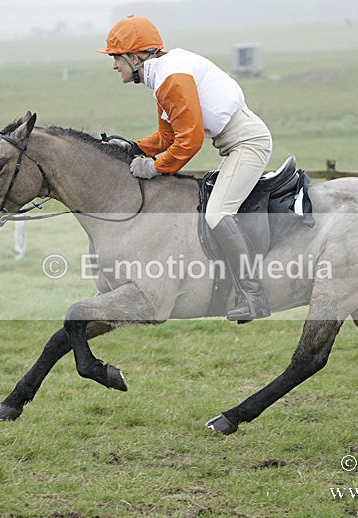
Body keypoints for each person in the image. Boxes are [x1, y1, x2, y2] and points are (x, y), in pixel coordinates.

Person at [97, 14, 273, 322]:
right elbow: (168, 135)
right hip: (234, 144)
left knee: (217, 214)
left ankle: (253, 295)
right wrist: (133, 148)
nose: (114, 65)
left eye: (116, 57)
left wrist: (155, 167)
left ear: (135, 56)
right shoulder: (163, 74)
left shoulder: (171, 77)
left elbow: (189, 141)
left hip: (248, 145)